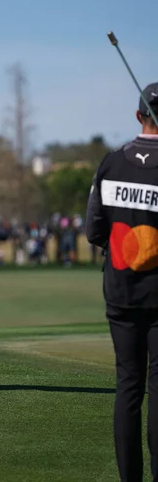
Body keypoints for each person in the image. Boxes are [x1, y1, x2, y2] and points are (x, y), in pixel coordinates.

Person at [86, 82, 158, 482]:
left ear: (137, 115)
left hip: (120, 291)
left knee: (129, 386)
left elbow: (93, 229)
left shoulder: (111, 163)